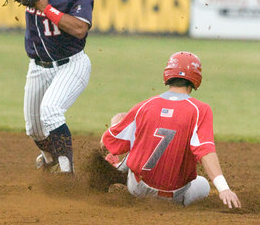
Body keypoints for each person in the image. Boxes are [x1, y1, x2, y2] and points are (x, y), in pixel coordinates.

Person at [100, 51, 242, 208]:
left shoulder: (144, 106)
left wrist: (116, 123)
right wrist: (224, 189)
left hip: (137, 189)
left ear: (168, 73)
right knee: (202, 184)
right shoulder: (200, 110)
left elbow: (106, 142)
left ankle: (118, 170)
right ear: (196, 77)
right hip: (173, 196)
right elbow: (205, 150)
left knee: (132, 131)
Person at [23, 0, 94, 174]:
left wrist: (46, 8)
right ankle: (51, 160)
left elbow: (79, 28)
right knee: (34, 129)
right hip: (37, 66)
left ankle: (67, 174)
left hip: (70, 65)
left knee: (52, 111)